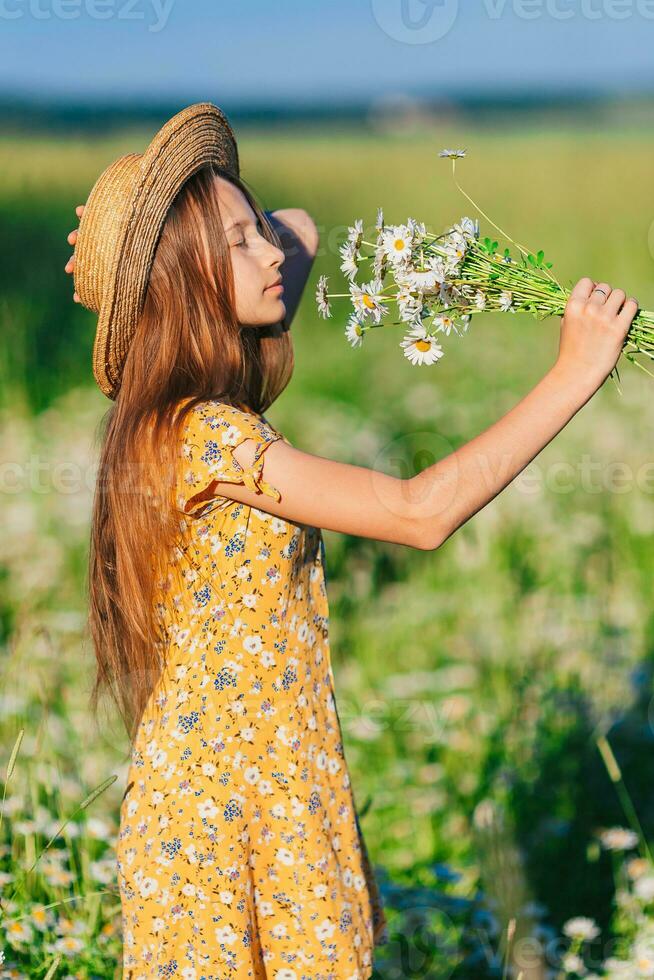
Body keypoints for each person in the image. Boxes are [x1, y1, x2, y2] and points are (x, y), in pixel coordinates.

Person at [65, 102, 638, 980]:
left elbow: (302, 226)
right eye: (237, 245)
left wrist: (226, 220)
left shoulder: (194, 420)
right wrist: (573, 374)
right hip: (223, 818)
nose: (271, 254)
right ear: (177, 284)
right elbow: (418, 513)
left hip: (276, 788)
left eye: (258, 234)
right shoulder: (207, 436)